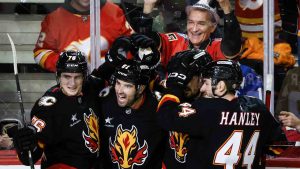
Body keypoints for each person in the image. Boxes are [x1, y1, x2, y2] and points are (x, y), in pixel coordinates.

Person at [157, 59, 284, 168]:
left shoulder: (205, 108)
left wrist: (174, 88)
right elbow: (278, 147)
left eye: (206, 83)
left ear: (221, 86)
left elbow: (164, 116)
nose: (202, 88)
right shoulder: (258, 107)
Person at [8, 51, 104, 169]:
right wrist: (24, 146)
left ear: (84, 77)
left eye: (77, 77)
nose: (72, 83)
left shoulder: (90, 87)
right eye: (66, 76)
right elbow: (30, 158)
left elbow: (103, 77)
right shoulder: (47, 107)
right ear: (58, 76)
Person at [99, 59, 166, 169]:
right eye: (118, 83)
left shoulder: (158, 109)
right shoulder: (105, 103)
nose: (120, 91)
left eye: (127, 86)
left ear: (141, 88)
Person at [34, 0, 133, 72]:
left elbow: (132, 46)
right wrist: (65, 63)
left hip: (109, 89)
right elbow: (40, 53)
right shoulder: (54, 18)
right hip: (72, 87)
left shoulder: (114, 11)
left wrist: (120, 69)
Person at [142, 0, 242, 68]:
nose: (194, 29)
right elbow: (147, 40)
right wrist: (148, 7)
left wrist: (227, 9)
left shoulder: (217, 46)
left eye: (201, 23)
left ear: (213, 27)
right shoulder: (176, 40)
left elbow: (231, 44)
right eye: (191, 22)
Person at [161, 49, 212, 169]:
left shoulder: (212, 107)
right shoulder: (171, 98)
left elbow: (165, 117)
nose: (181, 82)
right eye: (177, 75)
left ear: (203, 76)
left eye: (187, 76)